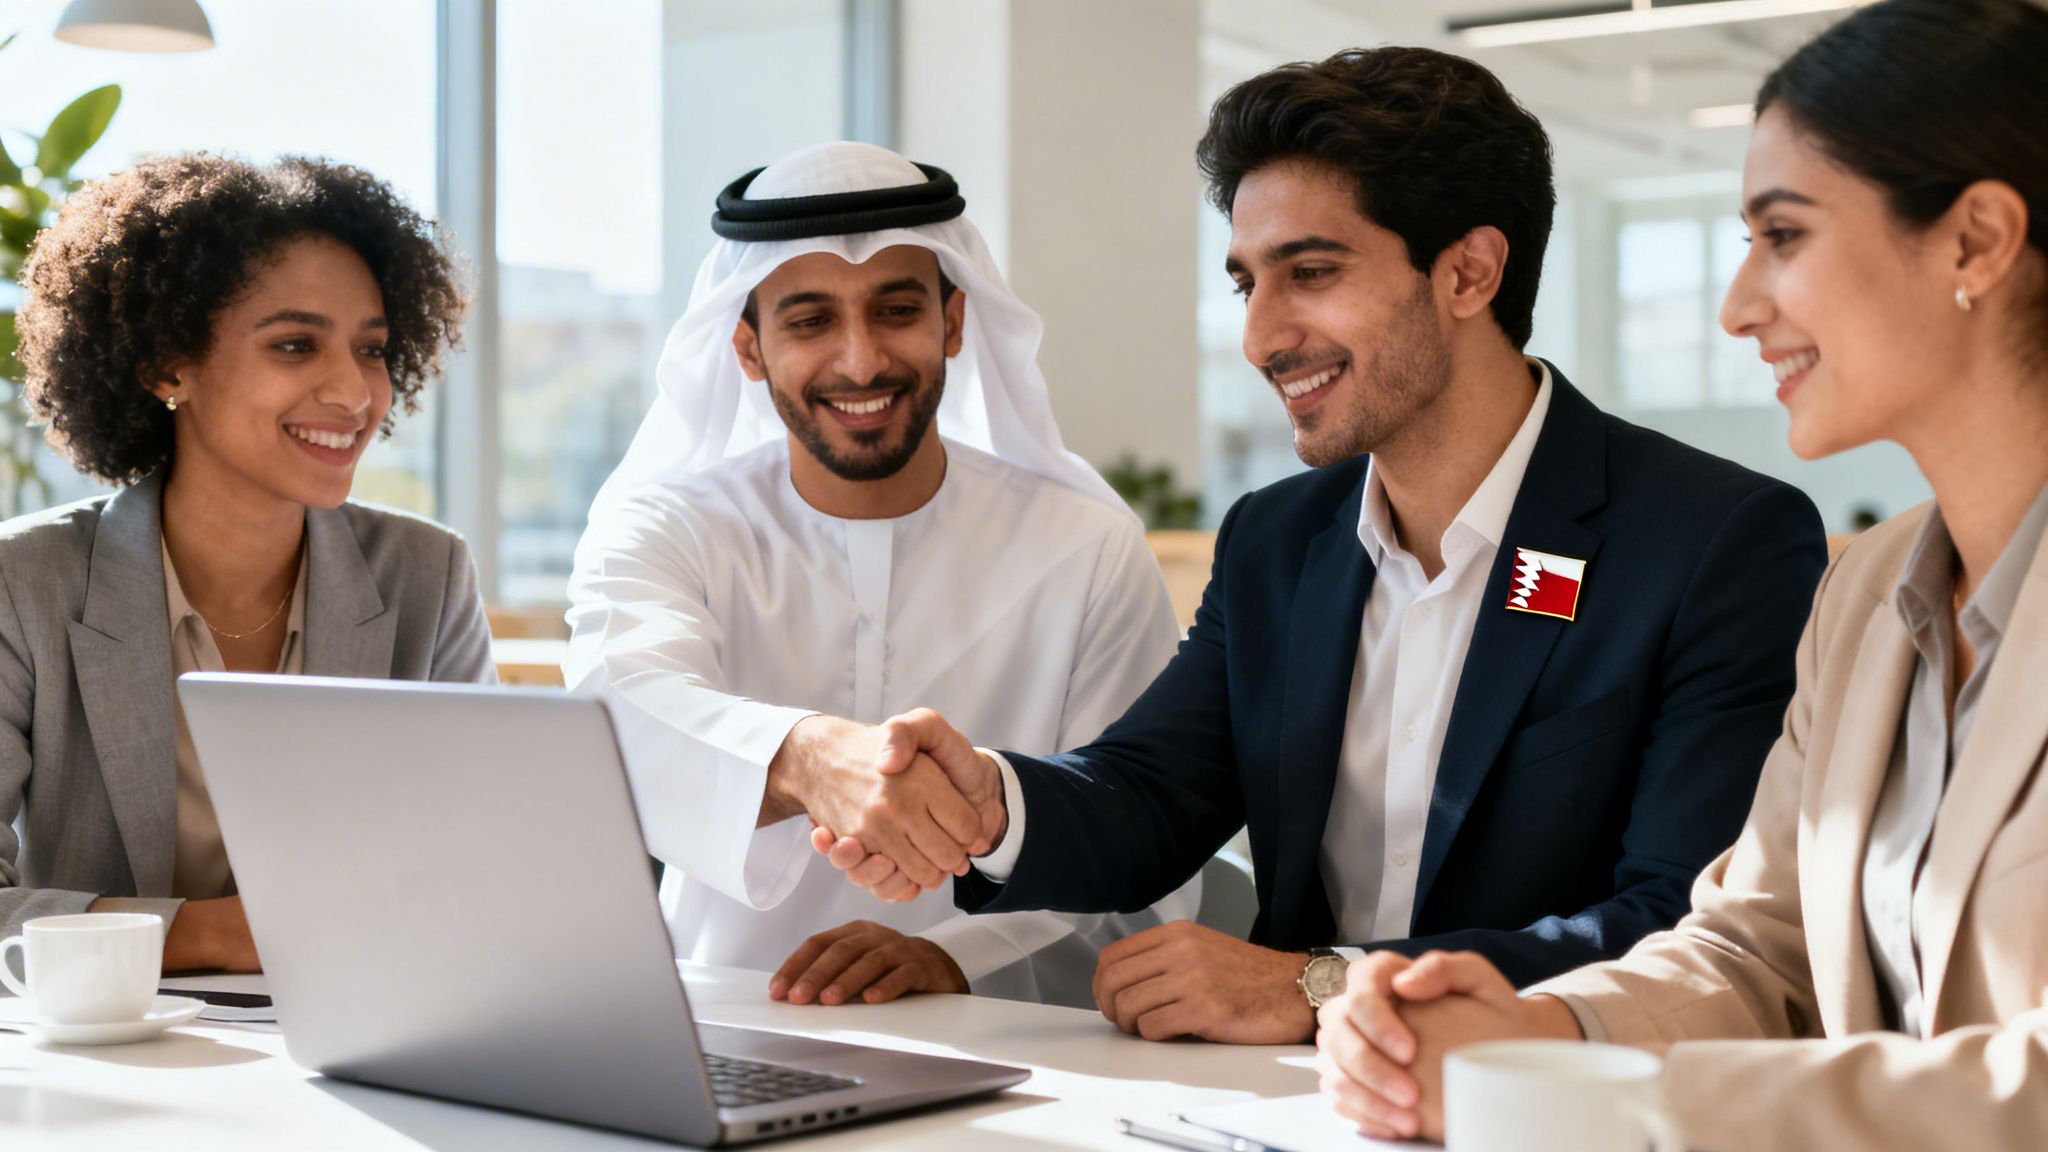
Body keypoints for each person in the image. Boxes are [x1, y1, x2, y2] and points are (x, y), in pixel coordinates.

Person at [816, 47, 1828, 1045]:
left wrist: (1321, 986)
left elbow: (1683, 926)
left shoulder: (1716, 542)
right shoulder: (1277, 538)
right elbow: (1152, 793)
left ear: (1468, 271)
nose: (1260, 336)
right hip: (1284, 1115)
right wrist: (986, 801)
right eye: (1246, 282)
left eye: (1309, 271)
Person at [1314, 2, 2048, 1146]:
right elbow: (1758, 948)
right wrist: (1529, 1033)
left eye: (1784, 235)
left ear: (1973, 242)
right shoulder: (1866, 596)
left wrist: (1603, 1102)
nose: (1737, 305)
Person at [563, 142, 1193, 1009]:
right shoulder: (667, 525)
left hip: (1014, 1034)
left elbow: (1139, 826)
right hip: (720, 1017)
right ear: (747, 347)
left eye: (896, 309)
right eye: (810, 320)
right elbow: (617, 715)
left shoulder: (1086, 544)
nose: (860, 362)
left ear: (955, 323)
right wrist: (805, 758)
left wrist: (955, 955)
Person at [0, 153, 493, 970]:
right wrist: (214, 934)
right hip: (98, 1057)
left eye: (371, 350)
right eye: (296, 345)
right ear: (168, 365)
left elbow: (485, 865)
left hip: (367, 1039)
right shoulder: (24, 582)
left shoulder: (426, 574)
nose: (353, 393)